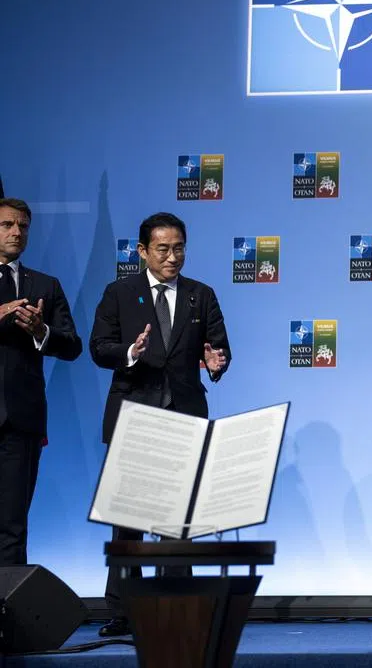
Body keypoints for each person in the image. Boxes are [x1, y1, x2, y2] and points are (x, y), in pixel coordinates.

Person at [89, 212, 232, 637]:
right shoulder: (119, 293)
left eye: (179, 248)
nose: (173, 257)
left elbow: (219, 347)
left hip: (184, 413)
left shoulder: (200, 295)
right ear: (142, 251)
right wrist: (130, 353)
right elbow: (99, 347)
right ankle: (123, 609)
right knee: (128, 515)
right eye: (164, 249)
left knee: (178, 518)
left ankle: (175, 605)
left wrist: (215, 363)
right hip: (134, 412)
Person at [0, 198, 82, 565]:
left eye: (23, 226)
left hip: (20, 421)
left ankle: (8, 616)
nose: (16, 232)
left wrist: (40, 330)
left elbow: (73, 346)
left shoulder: (45, 286)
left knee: (12, 526)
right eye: (7, 225)